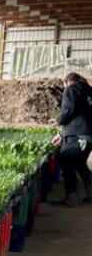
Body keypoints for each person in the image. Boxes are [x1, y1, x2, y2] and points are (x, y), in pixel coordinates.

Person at [49, 72, 92, 207]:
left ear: (68, 82)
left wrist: (59, 120)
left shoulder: (72, 89)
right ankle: (90, 192)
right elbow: (79, 116)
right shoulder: (89, 91)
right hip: (88, 136)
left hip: (78, 136)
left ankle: (71, 198)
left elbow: (69, 110)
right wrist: (62, 135)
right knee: (79, 163)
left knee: (66, 160)